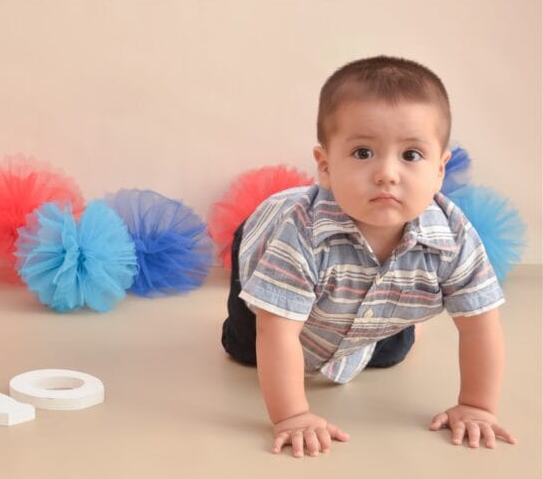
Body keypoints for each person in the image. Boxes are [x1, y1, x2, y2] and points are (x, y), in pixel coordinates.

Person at [221, 55, 517, 458]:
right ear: (325, 166)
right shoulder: (300, 233)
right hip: (265, 251)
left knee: (390, 354)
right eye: (363, 153)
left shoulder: (453, 236)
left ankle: (390, 318)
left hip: (376, 296)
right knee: (246, 346)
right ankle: (251, 323)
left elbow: (480, 325)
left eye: (411, 155)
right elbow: (278, 334)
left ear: (440, 169)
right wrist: (292, 416)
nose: (387, 174)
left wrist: (477, 406)